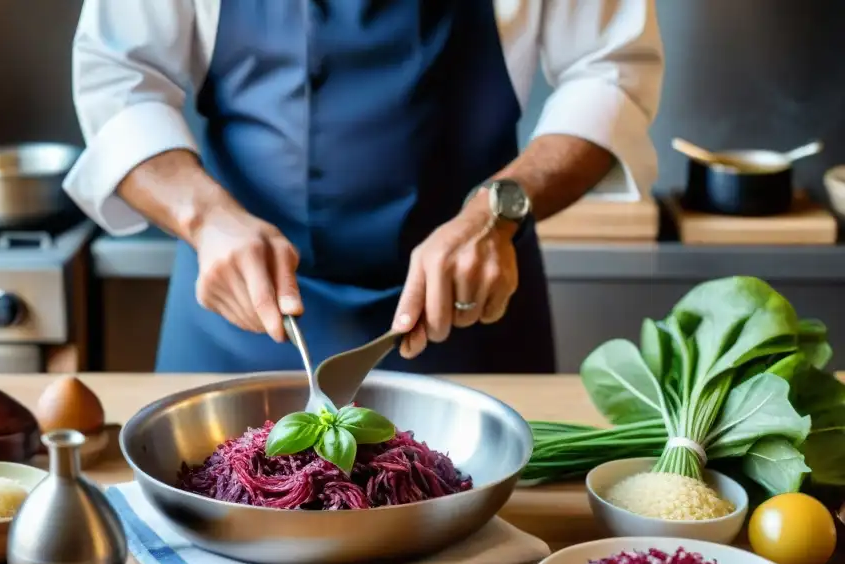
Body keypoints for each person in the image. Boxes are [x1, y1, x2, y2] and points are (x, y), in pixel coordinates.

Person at [64, 0, 663, 374]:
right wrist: (204, 219)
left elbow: (610, 72)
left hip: (467, 308)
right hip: (240, 307)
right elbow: (120, 78)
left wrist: (496, 213)